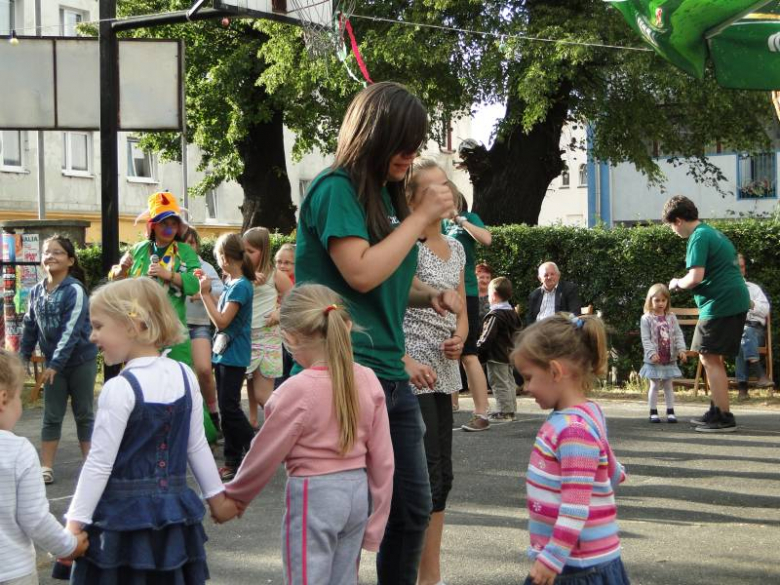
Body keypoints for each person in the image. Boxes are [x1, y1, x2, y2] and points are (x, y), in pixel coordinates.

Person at [294, 81, 461, 585]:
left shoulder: (384, 194)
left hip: (387, 374)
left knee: (411, 510)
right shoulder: (334, 189)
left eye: (416, 144)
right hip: (342, 374)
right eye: (401, 143)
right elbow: (361, 271)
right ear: (373, 135)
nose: (409, 155)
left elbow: (387, 274)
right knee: (339, 517)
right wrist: (421, 217)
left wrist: (427, 294)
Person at [217, 285, 394, 584]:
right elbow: (384, 460)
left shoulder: (295, 390)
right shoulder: (368, 379)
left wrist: (236, 497)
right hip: (357, 493)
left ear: (290, 337)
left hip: (315, 493)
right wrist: (377, 522)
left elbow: (264, 453)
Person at [64, 278, 226, 584]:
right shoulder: (184, 374)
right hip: (173, 520)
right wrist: (216, 497)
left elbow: (99, 463)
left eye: (98, 326)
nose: (92, 335)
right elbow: (196, 446)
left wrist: (73, 525)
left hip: (121, 523)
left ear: (133, 325)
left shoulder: (119, 388)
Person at [512, 314, 629, 585]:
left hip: (577, 567)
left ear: (555, 371)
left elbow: (575, 506)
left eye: (528, 377)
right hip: (578, 561)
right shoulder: (587, 413)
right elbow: (611, 471)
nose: (526, 387)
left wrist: (552, 558)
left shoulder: (573, 430)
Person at [401, 159, 467, 585]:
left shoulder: (457, 247)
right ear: (411, 199)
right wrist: (405, 360)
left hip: (444, 366)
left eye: (446, 184)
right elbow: (390, 302)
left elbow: (462, 310)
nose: (444, 192)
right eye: (432, 188)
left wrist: (460, 337)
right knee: (423, 475)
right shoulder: (405, 243)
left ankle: (431, 575)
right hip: (412, 367)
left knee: (441, 476)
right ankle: (415, 574)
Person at [0, 349, 89, 585]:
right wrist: (69, 546)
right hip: (12, 572)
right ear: (3, 399)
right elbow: (34, 519)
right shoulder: (18, 451)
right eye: (19, 397)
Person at [664, 195, 749, 433]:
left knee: (708, 357)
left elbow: (695, 277)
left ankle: (723, 416)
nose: (673, 231)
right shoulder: (712, 233)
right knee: (712, 357)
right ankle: (716, 409)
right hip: (731, 300)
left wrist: (676, 283)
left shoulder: (698, 237)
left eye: (671, 225)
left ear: (678, 220)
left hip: (720, 303)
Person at [19, 235, 97, 485]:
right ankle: (46, 467)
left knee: (84, 414)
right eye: (46, 252)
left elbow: (70, 331)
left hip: (80, 362)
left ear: (70, 261)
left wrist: (54, 364)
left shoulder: (74, 290)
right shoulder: (36, 292)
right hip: (54, 365)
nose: (50, 256)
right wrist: (21, 359)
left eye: (57, 252)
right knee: (52, 415)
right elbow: (29, 327)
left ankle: (91, 467)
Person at [109, 191, 200, 366]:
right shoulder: (137, 249)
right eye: (164, 223)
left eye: (174, 224)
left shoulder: (186, 251)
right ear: (153, 225)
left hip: (172, 332)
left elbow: (197, 282)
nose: (169, 228)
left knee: (174, 378)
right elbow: (115, 282)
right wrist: (121, 269)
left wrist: (169, 275)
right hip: (140, 331)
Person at [198, 233, 256, 480]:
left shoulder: (241, 286)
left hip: (234, 355)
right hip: (224, 354)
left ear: (224, 257)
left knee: (230, 409)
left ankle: (257, 448)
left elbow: (222, 321)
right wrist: (206, 291)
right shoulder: (232, 282)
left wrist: (204, 295)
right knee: (226, 407)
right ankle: (233, 460)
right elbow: (221, 312)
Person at [445, 183, 493, 432]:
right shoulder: (436, 224)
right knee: (445, 350)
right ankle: (450, 406)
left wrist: (461, 221)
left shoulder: (469, 218)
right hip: (442, 294)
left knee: (468, 352)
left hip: (467, 293)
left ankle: (482, 413)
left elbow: (486, 239)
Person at [243, 227, 293, 428]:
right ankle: (254, 421)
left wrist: (280, 312)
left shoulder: (274, 275)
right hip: (247, 337)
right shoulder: (242, 274)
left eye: (251, 251)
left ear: (263, 251)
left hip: (267, 338)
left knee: (264, 395)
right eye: (243, 250)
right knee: (250, 381)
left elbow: (293, 298)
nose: (245, 255)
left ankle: (288, 425)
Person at [183, 227, 225, 436]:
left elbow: (221, 289)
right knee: (182, 375)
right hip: (176, 326)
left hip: (199, 324)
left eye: (192, 242)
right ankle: (188, 420)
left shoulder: (202, 267)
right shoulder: (169, 264)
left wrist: (203, 292)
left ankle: (213, 414)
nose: (189, 246)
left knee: (204, 370)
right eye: (184, 242)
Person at [639, 284, 687, 423]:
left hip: (669, 358)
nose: (660, 303)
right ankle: (653, 411)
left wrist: (681, 350)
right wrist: (651, 353)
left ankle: (670, 411)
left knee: (668, 385)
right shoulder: (646, 318)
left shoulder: (671, 317)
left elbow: (678, 334)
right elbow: (645, 338)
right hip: (655, 359)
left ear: (667, 301)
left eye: (663, 300)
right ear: (650, 300)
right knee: (654, 385)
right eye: (657, 300)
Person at [477, 276, 522, 423]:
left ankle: (504, 412)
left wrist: (477, 348)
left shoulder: (495, 315)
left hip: (497, 354)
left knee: (499, 383)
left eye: (489, 294)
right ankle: (511, 410)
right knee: (509, 382)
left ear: (494, 295)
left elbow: (487, 336)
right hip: (510, 353)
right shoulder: (512, 313)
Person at [735, 253, 772, 399]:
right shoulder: (725, 290)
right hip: (732, 331)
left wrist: (751, 304)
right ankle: (760, 373)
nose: (740, 270)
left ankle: (742, 388)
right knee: (742, 334)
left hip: (756, 331)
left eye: (742, 267)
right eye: (737, 267)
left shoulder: (754, 289)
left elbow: (765, 310)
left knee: (745, 335)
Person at [274, 243, 296, 388]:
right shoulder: (270, 282)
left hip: (292, 337)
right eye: (279, 262)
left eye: (287, 262)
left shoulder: (299, 283)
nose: (282, 266)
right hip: (274, 337)